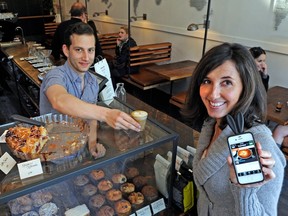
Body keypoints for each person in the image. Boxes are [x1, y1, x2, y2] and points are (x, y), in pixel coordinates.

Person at [181, 43, 286, 216]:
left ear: (245, 87)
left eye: (227, 82)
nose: (213, 94)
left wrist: (245, 189)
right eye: (207, 81)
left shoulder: (262, 145)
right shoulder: (210, 124)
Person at [40, 22, 141, 157]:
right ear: (66, 50)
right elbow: (59, 100)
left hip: (81, 151)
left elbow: (91, 119)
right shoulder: (55, 75)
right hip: (54, 153)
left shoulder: (92, 81)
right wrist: (106, 114)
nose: (86, 58)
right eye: (79, 50)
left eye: (90, 50)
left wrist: (92, 146)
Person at [250, 47, 288, 152]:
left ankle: (272, 151)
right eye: (259, 61)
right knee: (275, 128)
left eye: (264, 61)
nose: (263, 64)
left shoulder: (258, 74)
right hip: (251, 111)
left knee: (275, 127)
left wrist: (265, 75)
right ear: (250, 60)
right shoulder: (247, 75)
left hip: (258, 109)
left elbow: (263, 92)